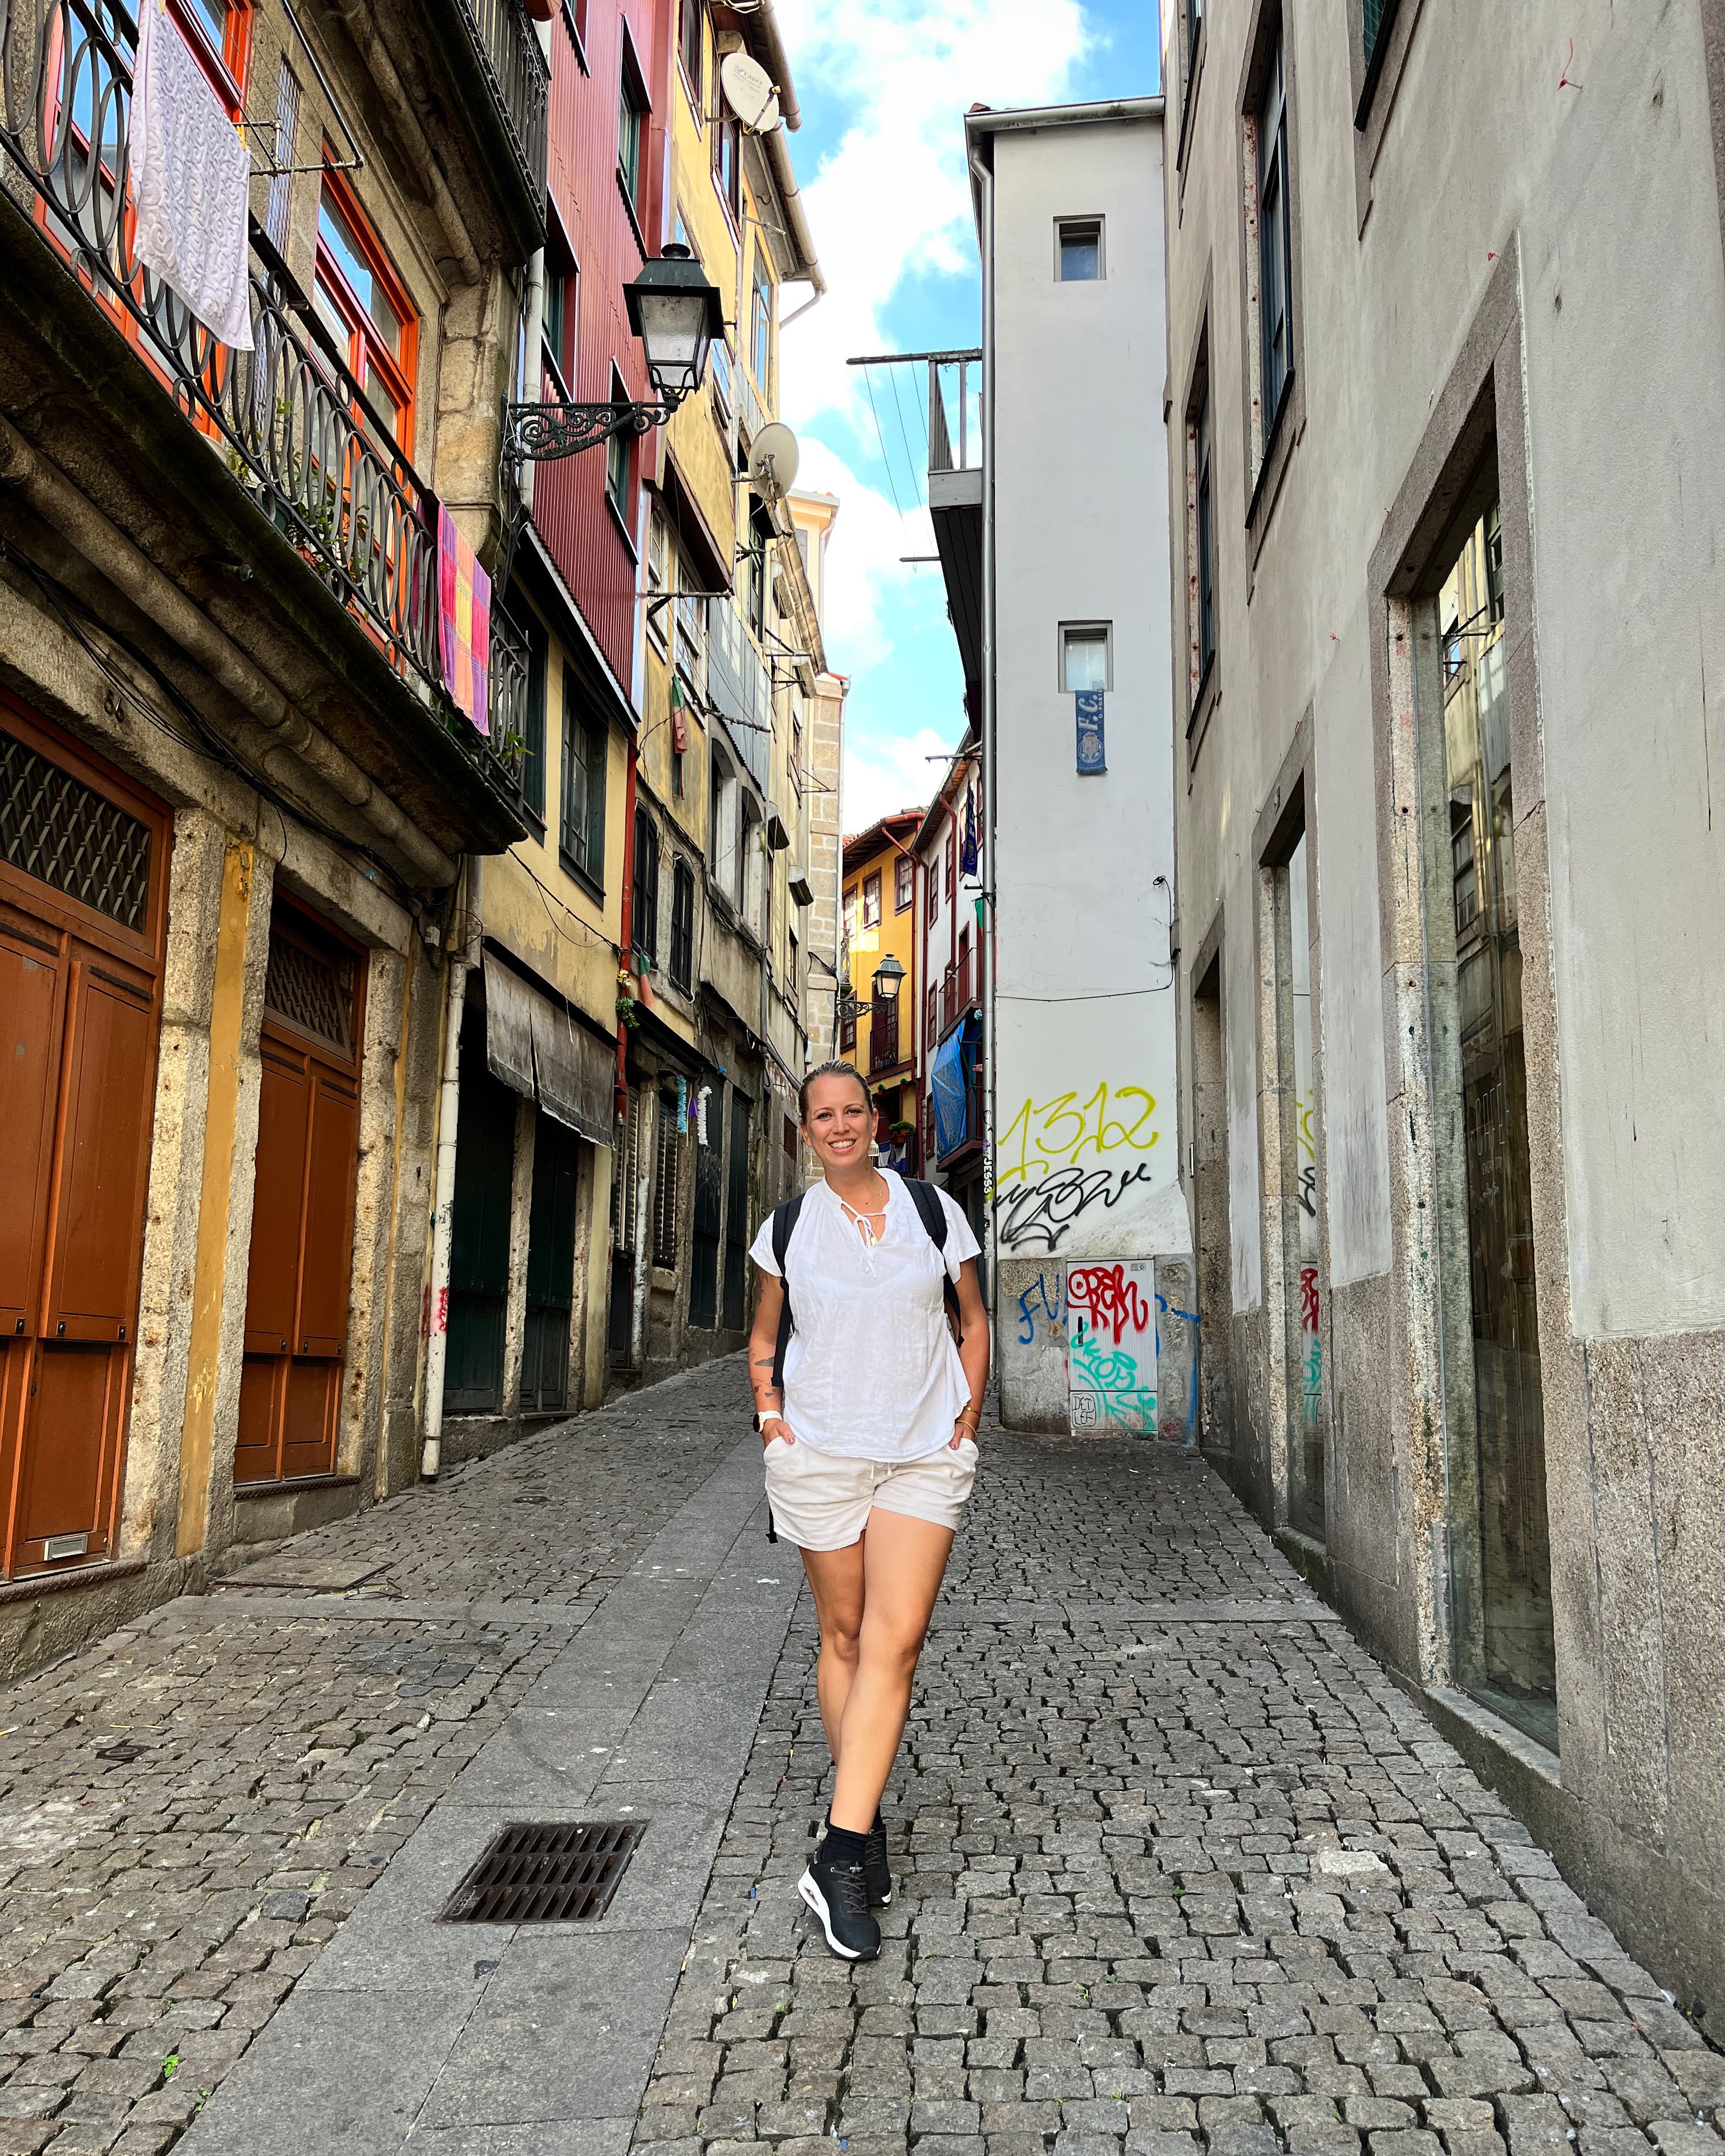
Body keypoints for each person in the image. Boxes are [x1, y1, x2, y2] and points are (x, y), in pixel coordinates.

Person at [747, 1060, 990, 1962]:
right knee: (844, 1637)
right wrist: (773, 1422)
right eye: (824, 1115)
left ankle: (840, 1857)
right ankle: (867, 1810)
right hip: (821, 1458)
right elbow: (766, 1338)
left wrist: (963, 1421)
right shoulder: (786, 1231)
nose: (841, 1125)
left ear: (874, 1121)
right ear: (807, 1130)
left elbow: (972, 1319)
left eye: (854, 1111)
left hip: (923, 1455)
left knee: (898, 1638)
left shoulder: (934, 1211)